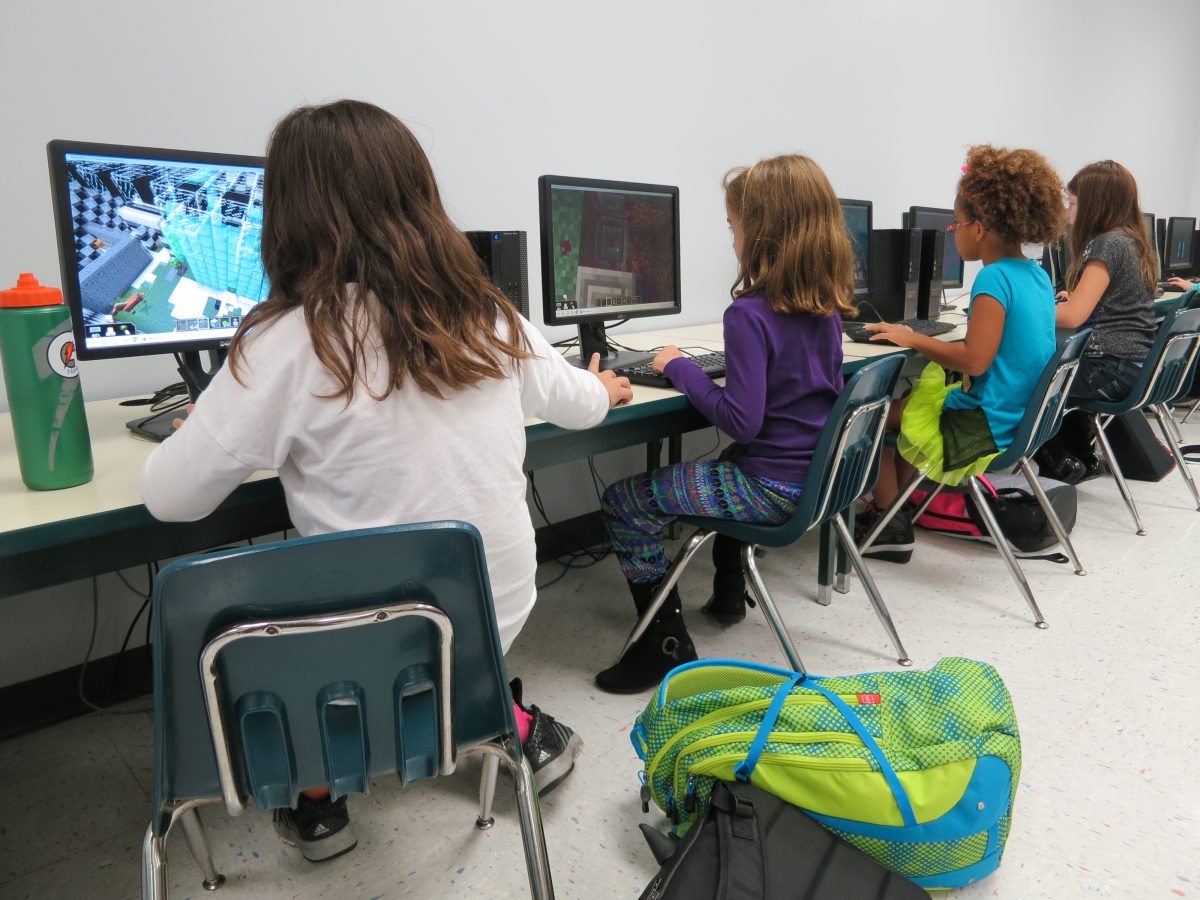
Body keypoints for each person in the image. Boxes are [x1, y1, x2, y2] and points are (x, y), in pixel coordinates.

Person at [138, 99, 632, 862]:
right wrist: (609, 387)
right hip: (493, 616)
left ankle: (315, 796)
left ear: (290, 216)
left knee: (295, 606)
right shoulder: (489, 316)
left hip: (357, 645)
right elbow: (584, 407)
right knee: (447, 619)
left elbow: (171, 499)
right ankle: (500, 718)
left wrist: (209, 429)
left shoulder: (284, 341)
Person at [594, 154, 854, 694]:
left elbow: (744, 421)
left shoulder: (749, 315)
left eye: (734, 225)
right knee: (726, 464)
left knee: (626, 501)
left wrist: (680, 367)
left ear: (759, 233)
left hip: (772, 490)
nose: (732, 236)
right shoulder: (826, 307)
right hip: (814, 478)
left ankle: (661, 645)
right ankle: (730, 586)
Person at [858, 145, 1065, 562]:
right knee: (908, 401)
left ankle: (888, 522)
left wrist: (912, 338)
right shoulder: (1036, 275)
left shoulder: (992, 279)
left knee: (870, 414)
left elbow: (974, 360)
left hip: (984, 427)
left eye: (957, 223)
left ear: (982, 227)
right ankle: (902, 507)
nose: (953, 231)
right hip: (1015, 418)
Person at [1031, 160, 1159, 484]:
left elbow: (1075, 316)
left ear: (1095, 206)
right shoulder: (1130, 240)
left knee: (1024, 380)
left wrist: (1021, 308)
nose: (1068, 213)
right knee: (1054, 364)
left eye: (1072, 204)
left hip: (1110, 368)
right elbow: (1099, 303)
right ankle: (1081, 455)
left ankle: (1058, 460)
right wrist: (1071, 298)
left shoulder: (1106, 243)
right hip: (1132, 365)